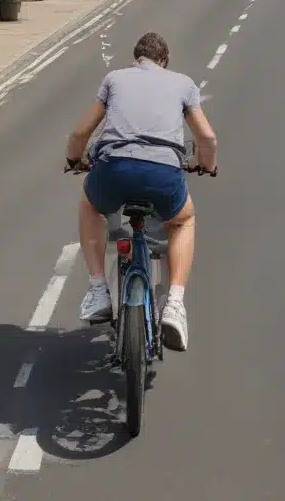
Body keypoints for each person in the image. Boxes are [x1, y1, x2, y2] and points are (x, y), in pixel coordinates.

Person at [66, 32, 218, 351]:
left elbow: (81, 132)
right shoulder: (183, 83)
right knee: (182, 221)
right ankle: (175, 304)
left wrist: (73, 159)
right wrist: (206, 164)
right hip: (163, 173)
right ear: (164, 61)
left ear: (137, 58)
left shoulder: (115, 78)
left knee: (90, 206)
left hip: (114, 168)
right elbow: (207, 138)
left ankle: (97, 290)